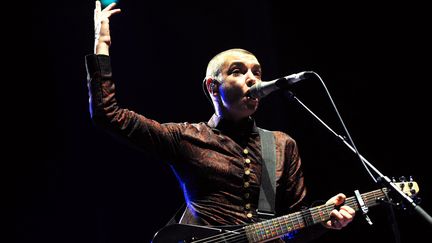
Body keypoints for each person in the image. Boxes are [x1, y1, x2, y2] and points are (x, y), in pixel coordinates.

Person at [86, 1, 355, 242]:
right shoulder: (187, 138)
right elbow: (109, 114)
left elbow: (295, 227)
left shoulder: (282, 145)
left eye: (257, 72)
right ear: (213, 88)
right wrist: (102, 45)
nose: (253, 79)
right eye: (238, 71)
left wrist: (325, 221)